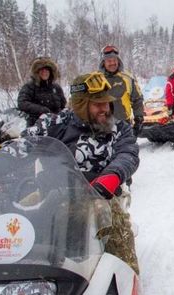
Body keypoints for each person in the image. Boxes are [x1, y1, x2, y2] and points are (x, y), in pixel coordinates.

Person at [21, 72, 140, 274]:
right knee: (20, 221)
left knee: (117, 232)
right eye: (97, 104)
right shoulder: (54, 123)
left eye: (107, 103)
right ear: (81, 105)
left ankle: (127, 276)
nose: (105, 109)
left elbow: (128, 152)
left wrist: (112, 175)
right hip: (55, 192)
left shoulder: (119, 127)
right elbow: (22, 145)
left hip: (100, 195)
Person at [98, 44, 144, 137]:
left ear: (118, 60)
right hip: (102, 127)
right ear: (103, 62)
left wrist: (139, 119)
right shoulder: (96, 79)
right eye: (109, 61)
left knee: (127, 150)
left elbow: (137, 100)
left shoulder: (128, 78)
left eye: (114, 60)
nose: (112, 63)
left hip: (124, 125)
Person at [18, 57, 66, 127]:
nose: (44, 72)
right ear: (37, 72)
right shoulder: (30, 86)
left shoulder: (56, 87)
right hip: (36, 125)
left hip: (57, 125)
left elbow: (63, 105)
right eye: (41, 70)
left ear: (51, 72)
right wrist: (42, 110)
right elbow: (22, 103)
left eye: (47, 70)